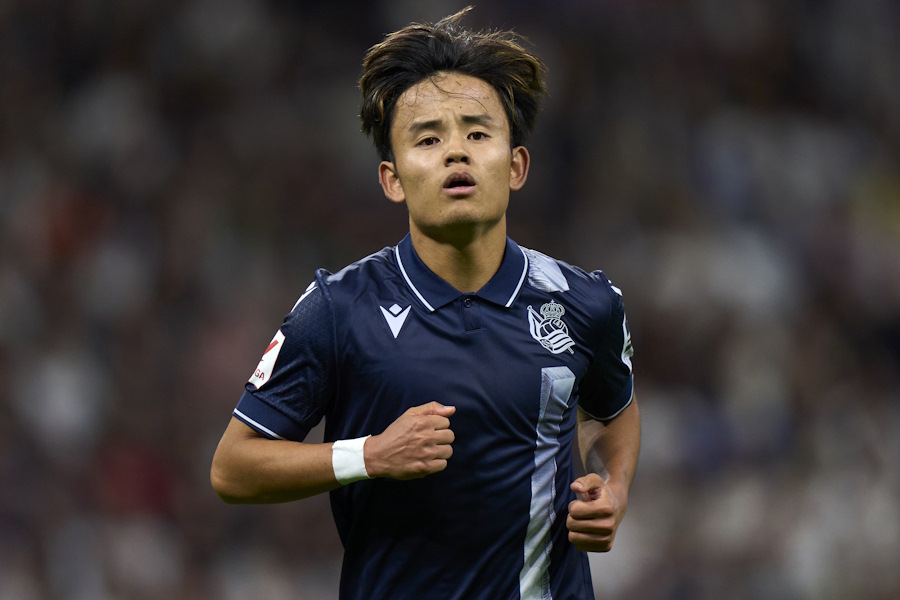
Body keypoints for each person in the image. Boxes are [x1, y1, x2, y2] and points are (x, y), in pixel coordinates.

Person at [210, 7, 640, 599]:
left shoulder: (584, 303)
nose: (456, 152)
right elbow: (233, 468)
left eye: (478, 134)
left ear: (516, 166)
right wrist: (370, 455)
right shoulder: (338, 309)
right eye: (429, 138)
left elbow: (614, 410)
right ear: (392, 179)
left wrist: (613, 488)